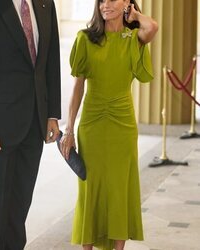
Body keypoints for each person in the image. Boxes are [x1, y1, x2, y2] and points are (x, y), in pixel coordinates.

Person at [0, 0, 61, 249]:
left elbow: (51, 61)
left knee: (19, 208)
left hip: (34, 123)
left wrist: (52, 115)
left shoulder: (45, 4)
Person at [60, 0, 158, 249]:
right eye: (102, 0)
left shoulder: (132, 38)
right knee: (90, 189)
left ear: (126, 2)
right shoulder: (86, 38)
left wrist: (135, 15)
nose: (106, 5)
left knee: (119, 190)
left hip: (122, 125)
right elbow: (77, 88)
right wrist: (69, 130)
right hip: (92, 124)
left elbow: (153, 27)